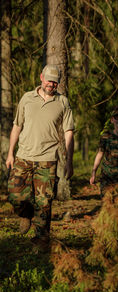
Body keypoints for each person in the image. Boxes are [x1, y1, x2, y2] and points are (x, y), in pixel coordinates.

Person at [6, 64, 74, 246]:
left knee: (44, 203)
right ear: (41, 78)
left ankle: (41, 241)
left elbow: (69, 132)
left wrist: (69, 161)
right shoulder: (27, 98)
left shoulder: (63, 102)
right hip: (23, 156)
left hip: (48, 160)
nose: (51, 84)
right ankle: (26, 214)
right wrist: (10, 153)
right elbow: (17, 125)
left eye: (55, 82)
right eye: (49, 80)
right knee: (15, 196)